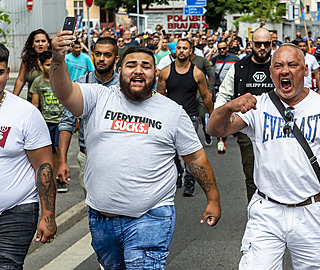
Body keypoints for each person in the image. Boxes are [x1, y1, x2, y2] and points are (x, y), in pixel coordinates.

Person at [51, 30, 221, 269]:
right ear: (120, 70)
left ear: (156, 73)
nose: (138, 70)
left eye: (146, 66)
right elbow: (64, 91)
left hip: (150, 217)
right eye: (131, 65)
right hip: (101, 219)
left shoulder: (172, 111)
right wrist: (58, 57)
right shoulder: (99, 96)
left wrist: (213, 198)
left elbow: (196, 158)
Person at [207, 43, 320, 269]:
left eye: (292, 65)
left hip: (311, 212)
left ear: (304, 70)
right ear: (271, 72)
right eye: (278, 66)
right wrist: (227, 107)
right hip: (267, 211)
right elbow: (215, 130)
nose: (285, 70)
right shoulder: (258, 106)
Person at [0, 43, 57, 269]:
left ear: (7, 72)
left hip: (18, 208)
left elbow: (43, 165)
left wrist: (48, 216)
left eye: (0, 72)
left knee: (8, 265)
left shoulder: (25, 113)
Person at [214, 28, 275, 202]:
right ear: (251, 44)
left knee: (278, 171)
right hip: (246, 129)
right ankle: (255, 213)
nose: (262, 47)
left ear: (271, 44)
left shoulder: (279, 66)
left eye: (266, 44)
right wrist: (219, 118)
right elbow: (224, 94)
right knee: (251, 173)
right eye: (258, 44)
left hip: (276, 128)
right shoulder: (239, 67)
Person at [57, 37, 120, 196]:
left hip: (119, 153)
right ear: (92, 55)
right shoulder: (80, 85)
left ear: (116, 58)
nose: (101, 59)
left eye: (107, 55)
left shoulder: (124, 86)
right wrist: (62, 160)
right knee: (92, 202)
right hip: (88, 154)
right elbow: (67, 123)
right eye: (98, 54)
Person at [157, 39, 214, 196]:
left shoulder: (197, 73)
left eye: (185, 48)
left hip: (191, 116)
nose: (181, 51)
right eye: (179, 48)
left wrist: (213, 116)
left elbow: (205, 96)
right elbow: (159, 97)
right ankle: (178, 171)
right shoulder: (165, 71)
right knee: (172, 150)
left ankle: (190, 181)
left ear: (191, 52)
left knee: (189, 152)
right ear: (175, 51)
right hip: (170, 116)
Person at [30, 51, 66, 193]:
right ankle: (48, 178)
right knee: (47, 150)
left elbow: (67, 99)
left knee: (58, 148)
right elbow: (35, 104)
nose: (50, 68)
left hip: (60, 121)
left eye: (52, 65)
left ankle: (58, 177)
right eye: (47, 65)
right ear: (41, 65)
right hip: (45, 122)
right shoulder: (38, 82)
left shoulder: (59, 80)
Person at [13, 29, 50, 101]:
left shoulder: (55, 58)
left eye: (43, 41)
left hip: (51, 101)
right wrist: (13, 99)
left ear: (48, 43)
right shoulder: (27, 59)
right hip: (32, 100)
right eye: (37, 41)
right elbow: (21, 80)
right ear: (32, 44)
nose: (40, 44)